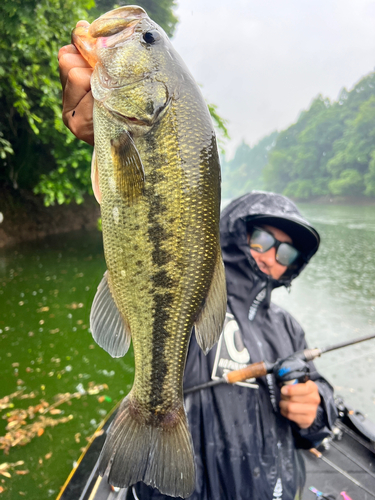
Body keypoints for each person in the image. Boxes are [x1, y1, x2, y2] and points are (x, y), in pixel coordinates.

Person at [58, 39, 337, 500]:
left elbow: (322, 414)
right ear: (235, 233)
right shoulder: (202, 286)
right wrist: (110, 137)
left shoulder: (289, 328)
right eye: (264, 239)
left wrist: (316, 408)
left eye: (287, 254)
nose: (271, 256)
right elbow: (158, 230)